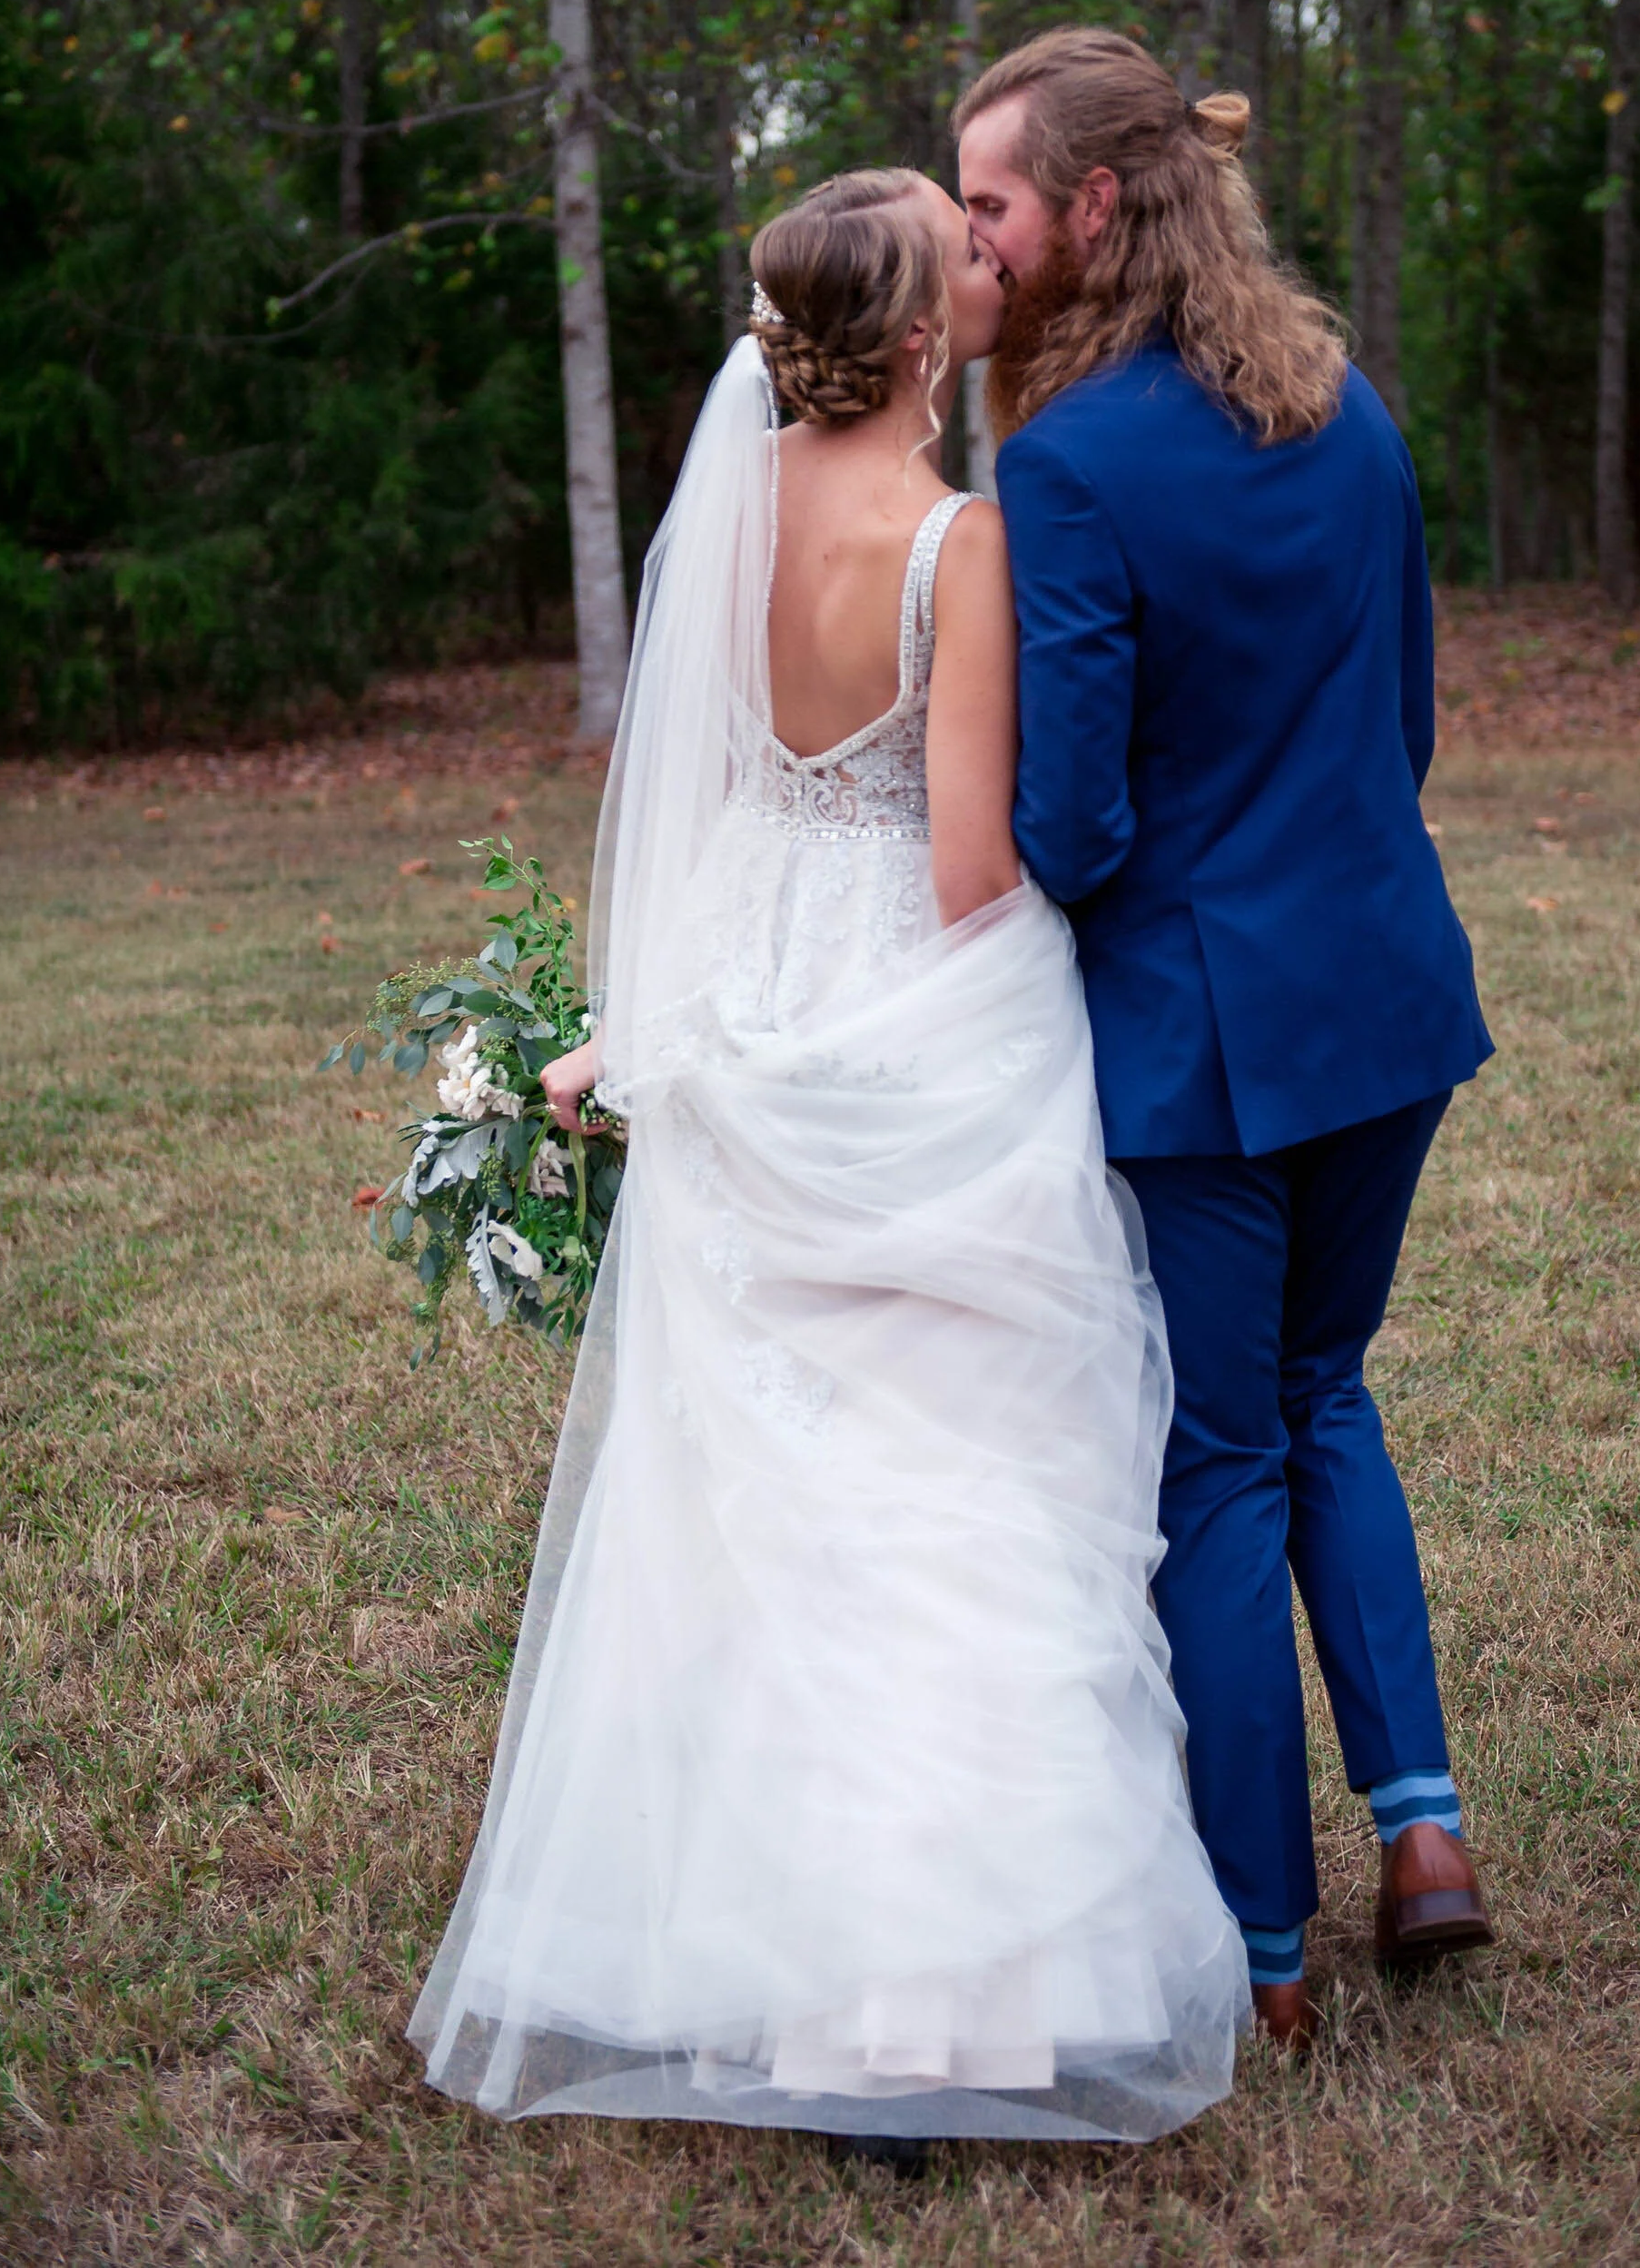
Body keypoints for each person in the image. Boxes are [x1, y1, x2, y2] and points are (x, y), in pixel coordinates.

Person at [407, 168, 1251, 2146]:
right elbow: (969, 872)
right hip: (905, 1014)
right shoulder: (959, 543)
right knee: (953, 1479)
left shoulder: (725, 520)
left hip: (740, 1006)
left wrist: (658, 1023)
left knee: (767, 1509)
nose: (993, 261)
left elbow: (700, 801)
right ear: (912, 331)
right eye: (961, 251)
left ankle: (748, 1955)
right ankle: (932, 2005)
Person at [954, 27, 1497, 2053]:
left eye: (992, 205)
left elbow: (1076, 819)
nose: (974, 245)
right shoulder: (1344, 409)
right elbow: (1410, 723)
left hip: (1200, 1040)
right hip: (1387, 992)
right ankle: (1423, 1836)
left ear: (1094, 208)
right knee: (1326, 1396)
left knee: (1219, 1457)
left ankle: (1259, 1952)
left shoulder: (1068, 462)